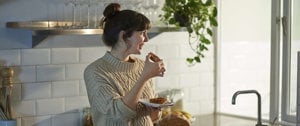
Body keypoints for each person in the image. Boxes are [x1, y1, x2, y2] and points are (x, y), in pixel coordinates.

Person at [84, 3, 166, 126]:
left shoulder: (143, 66)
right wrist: (145, 77)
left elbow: (150, 117)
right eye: (142, 33)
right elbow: (118, 115)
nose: (147, 39)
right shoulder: (95, 71)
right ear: (123, 36)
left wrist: (156, 112)